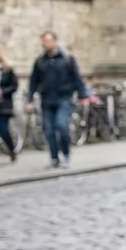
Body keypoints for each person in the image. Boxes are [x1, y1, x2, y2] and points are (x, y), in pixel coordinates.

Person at [25, 31, 87, 169]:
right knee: (49, 130)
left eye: (48, 41)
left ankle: (66, 154)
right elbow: (33, 82)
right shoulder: (40, 61)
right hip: (47, 99)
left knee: (62, 126)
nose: (45, 44)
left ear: (55, 42)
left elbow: (76, 78)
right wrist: (29, 100)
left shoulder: (67, 59)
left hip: (64, 98)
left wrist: (83, 95)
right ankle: (54, 158)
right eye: (43, 41)